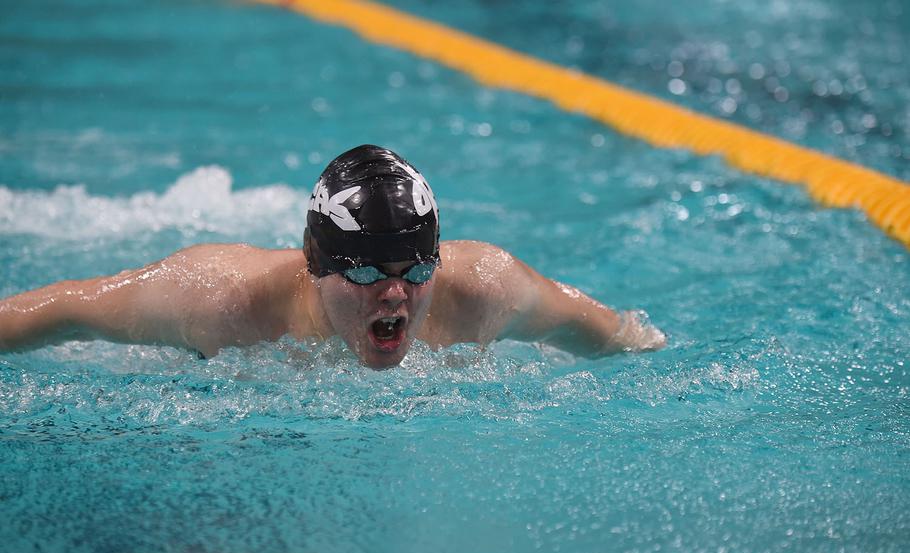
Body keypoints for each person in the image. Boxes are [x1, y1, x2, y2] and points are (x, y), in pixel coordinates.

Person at [0, 145, 666, 369]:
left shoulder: (486, 289)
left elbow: (620, 338)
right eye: (370, 274)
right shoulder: (218, 301)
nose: (397, 297)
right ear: (315, 265)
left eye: (416, 272)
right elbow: (63, 311)